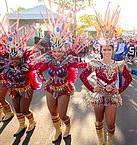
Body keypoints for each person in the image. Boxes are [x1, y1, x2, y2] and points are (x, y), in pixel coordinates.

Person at [80, 5, 132, 145]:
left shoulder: (118, 64)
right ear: (101, 50)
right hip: (98, 96)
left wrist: (119, 90)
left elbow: (129, 78)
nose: (107, 52)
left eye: (109, 49)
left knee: (110, 123)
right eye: (105, 49)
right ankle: (100, 140)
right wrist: (93, 89)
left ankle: (109, 141)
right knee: (98, 121)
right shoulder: (95, 63)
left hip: (112, 96)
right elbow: (83, 76)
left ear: (113, 50)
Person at [35, 4, 87, 142]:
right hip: (50, 88)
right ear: (52, 50)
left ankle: (67, 126)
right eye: (55, 51)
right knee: (53, 113)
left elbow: (80, 64)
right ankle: (57, 130)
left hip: (64, 88)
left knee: (62, 115)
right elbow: (39, 71)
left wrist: (95, 63)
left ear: (64, 51)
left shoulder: (68, 60)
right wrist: (43, 80)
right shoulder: (48, 60)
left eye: (60, 51)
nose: (57, 54)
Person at [3, 23, 41, 136]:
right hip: (14, 90)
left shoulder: (26, 66)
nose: (14, 60)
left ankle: (32, 122)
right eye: (12, 58)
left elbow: (37, 66)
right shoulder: (7, 67)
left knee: (24, 110)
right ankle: (21, 125)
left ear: (21, 58)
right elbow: (5, 78)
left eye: (16, 58)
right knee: (17, 110)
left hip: (26, 89)